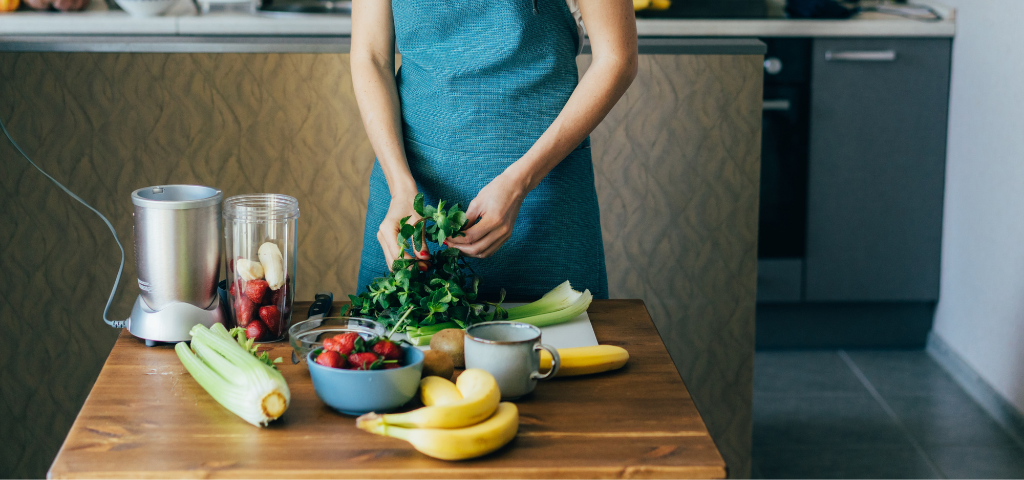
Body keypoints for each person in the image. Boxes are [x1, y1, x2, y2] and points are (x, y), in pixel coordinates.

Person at [352, 0, 637, 300]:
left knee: (563, 345)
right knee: (390, 341)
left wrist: (521, 181)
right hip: (411, 201)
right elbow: (370, 56)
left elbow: (617, 58)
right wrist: (400, 187)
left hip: (542, 196)